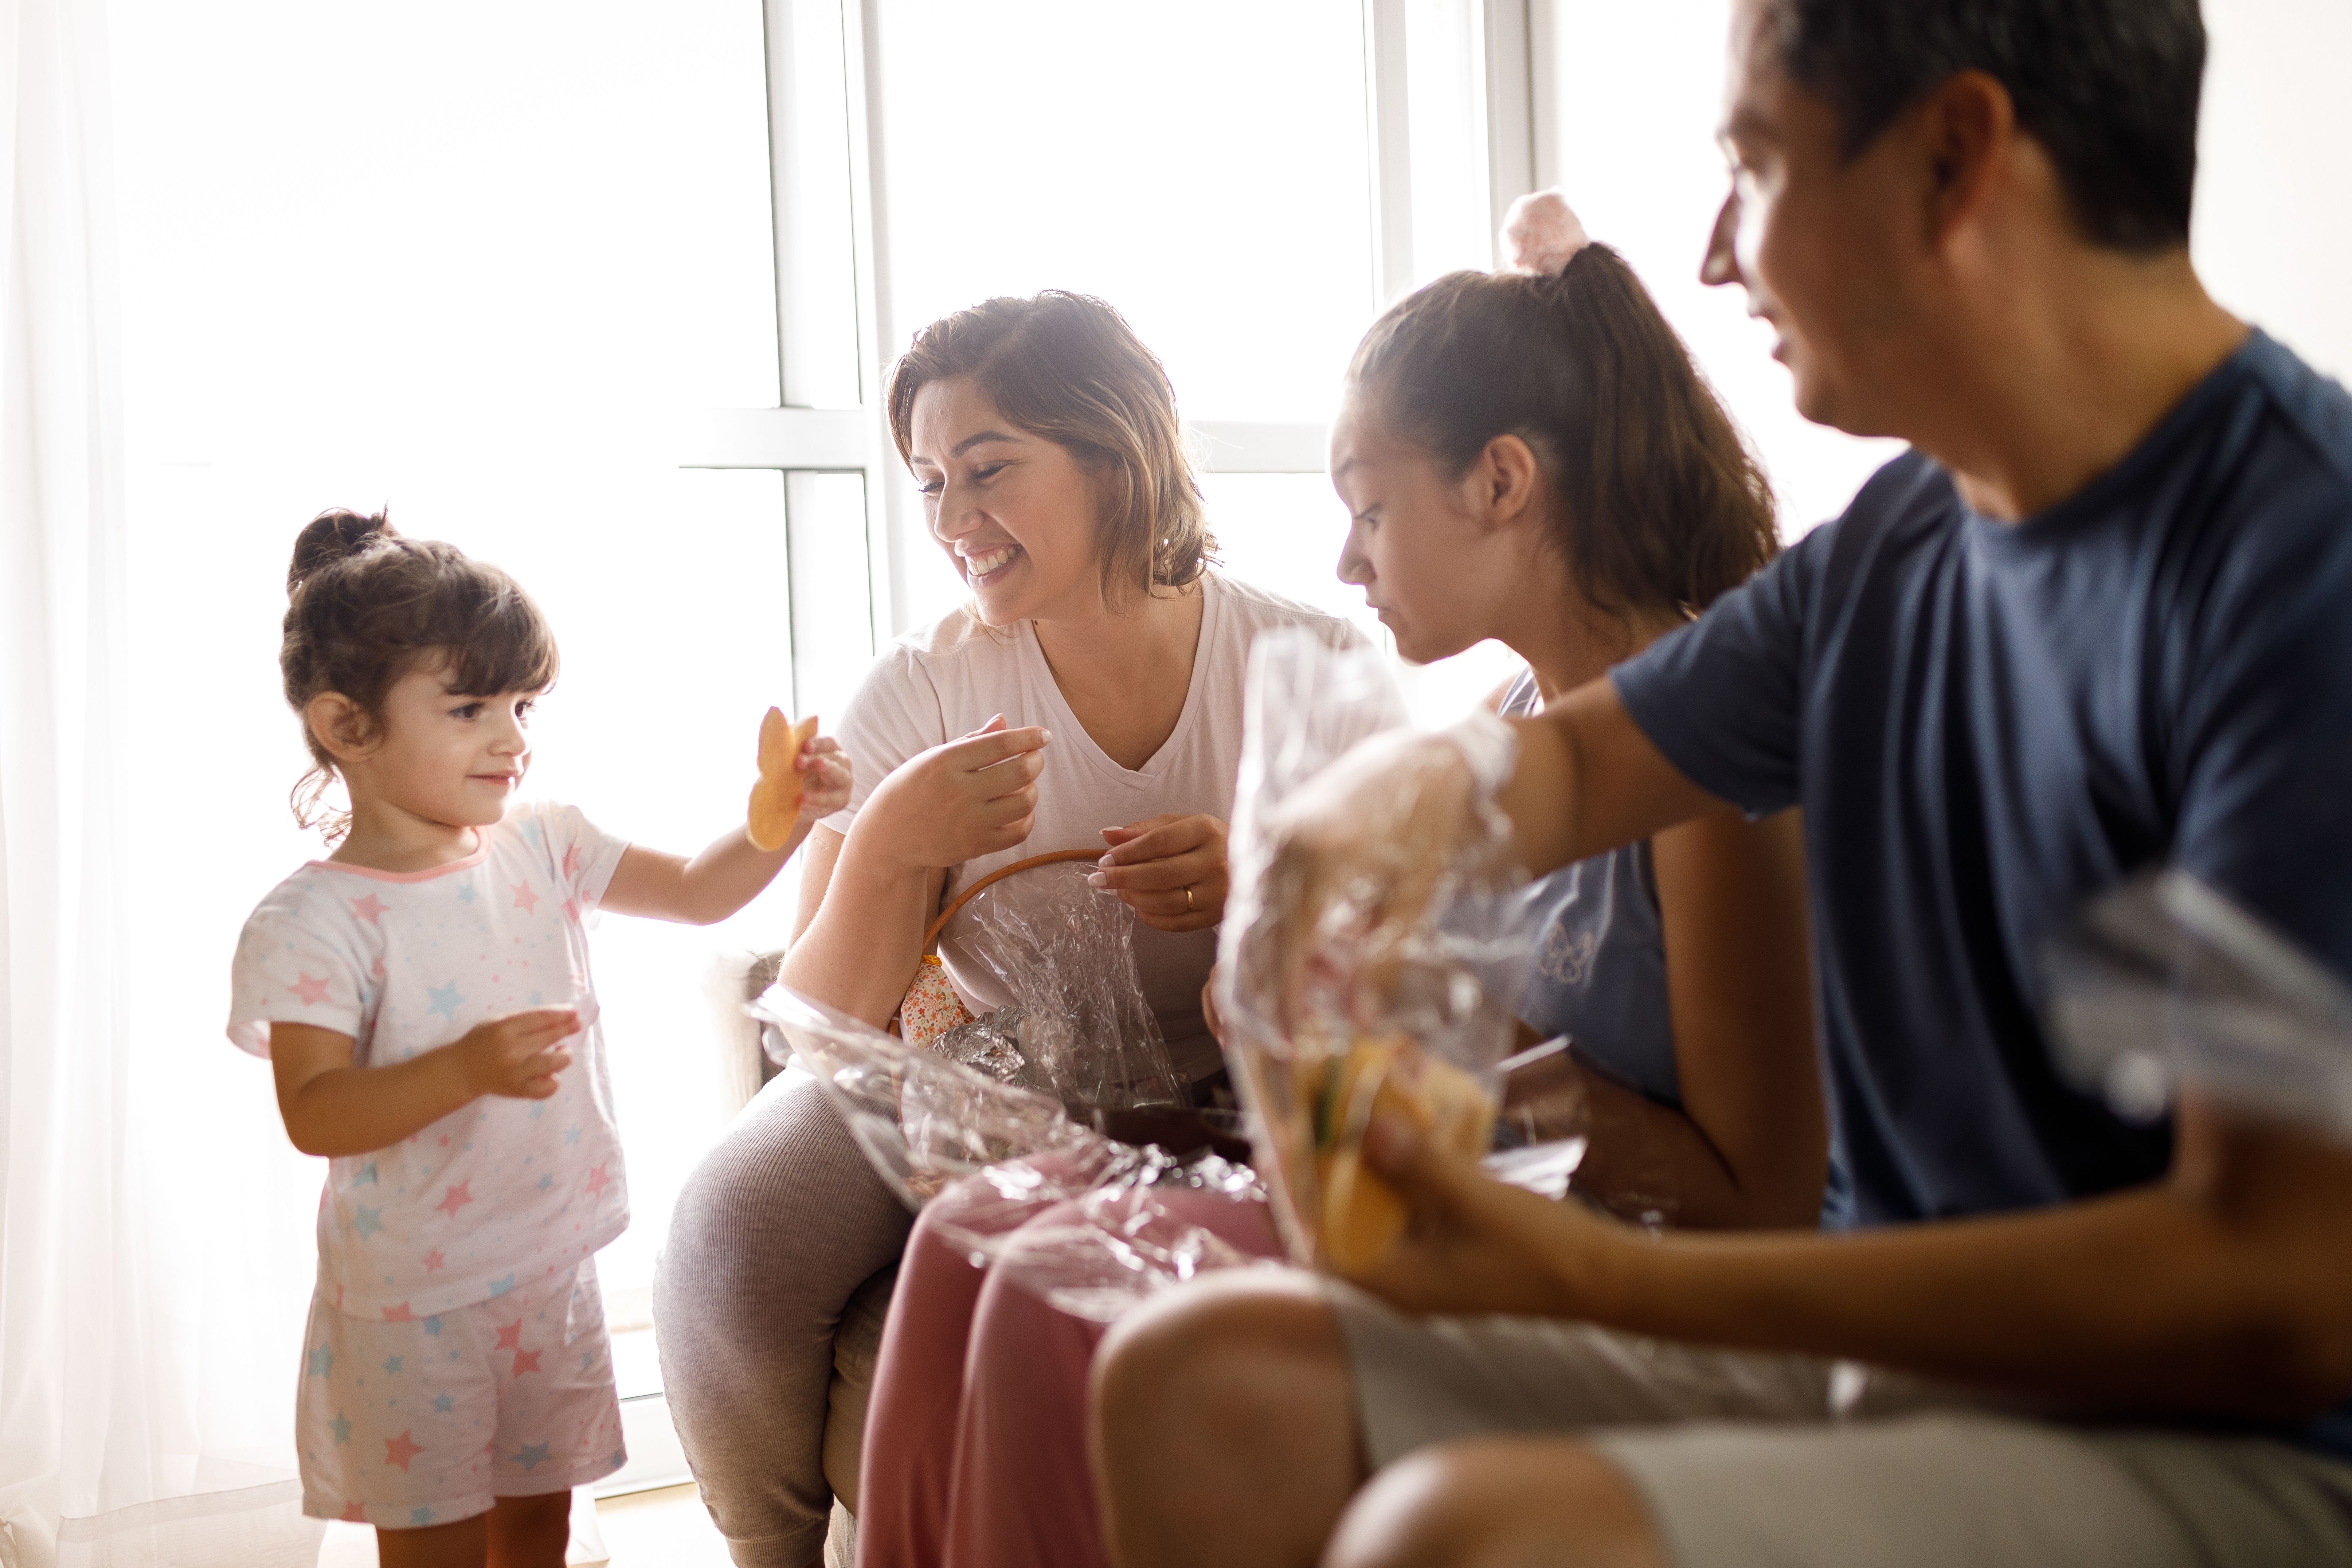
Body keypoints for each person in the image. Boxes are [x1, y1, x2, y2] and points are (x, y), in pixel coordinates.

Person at [1091, 3, 2352, 1565]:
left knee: (1461, 1533)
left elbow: (2280, 1285)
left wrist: (1581, 1272)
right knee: (1196, 1381)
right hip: (1904, 1373)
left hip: (2221, 1446)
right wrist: (1327, 840)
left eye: (1751, 168)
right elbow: (1562, 759)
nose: (1708, 253)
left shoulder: (2296, 564)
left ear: (1953, 159)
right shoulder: (1905, 547)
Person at [851, 194, 1827, 1568]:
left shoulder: (1707, 768)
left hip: (1589, 1259)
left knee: (1038, 1304)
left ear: (1501, 483)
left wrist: (1451, 1057)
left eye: (1369, 507)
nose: (1345, 560)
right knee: (962, 1232)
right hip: (1465, 1197)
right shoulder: (1505, 722)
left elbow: (1751, 1205)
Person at [652, 292, 1366, 1568]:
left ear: (1118, 451)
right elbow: (819, 1029)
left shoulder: (1304, 666)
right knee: (730, 1232)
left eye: (987, 471)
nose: (952, 521)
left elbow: (1396, 961)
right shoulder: (927, 686)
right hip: (974, 1073)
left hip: (1238, 1088)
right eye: (930, 482)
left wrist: (1266, 892)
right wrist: (885, 849)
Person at [226, 511, 849, 1568]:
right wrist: (464, 1069)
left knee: (539, 1531)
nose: (512, 737)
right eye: (470, 709)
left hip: (547, 1273)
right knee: (439, 1548)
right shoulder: (312, 922)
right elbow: (314, 1110)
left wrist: (774, 822)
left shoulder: (544, 842)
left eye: (520, 705)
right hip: (411, 1308)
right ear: (346, 726)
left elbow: (698, 894)